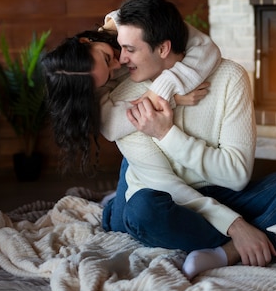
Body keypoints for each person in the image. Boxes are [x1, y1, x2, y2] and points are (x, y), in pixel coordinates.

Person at [100, 0, 276, 279]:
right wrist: (236, 224)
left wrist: (167, 134)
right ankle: (256, 234)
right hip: (170, 195)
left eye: (130, 49)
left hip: (223, 191)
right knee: (140, 212)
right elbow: (167, 186)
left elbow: (236, 176)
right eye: (121, 48)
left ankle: (228, 251)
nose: (122, 59)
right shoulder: (124, 98)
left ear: (163, 48)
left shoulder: (230, 77)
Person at [41, 11, 221, 174]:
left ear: (85, 41)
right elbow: (111, 127)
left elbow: (206, 49)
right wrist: (168, 98)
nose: (118, 64)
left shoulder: (138, 20)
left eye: (107, 57)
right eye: (111, 75)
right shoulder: (89, 78)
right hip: (139, 160)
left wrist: (164, 87)